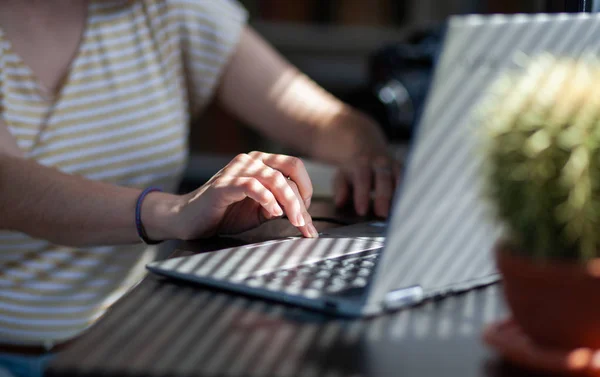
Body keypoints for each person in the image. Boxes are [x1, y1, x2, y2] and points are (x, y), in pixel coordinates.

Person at [0, 0, 400, 351]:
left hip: (122, 337)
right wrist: (174, 212)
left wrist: (365, 157)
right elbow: (10, 185)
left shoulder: (167, 8)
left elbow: (318, 119)